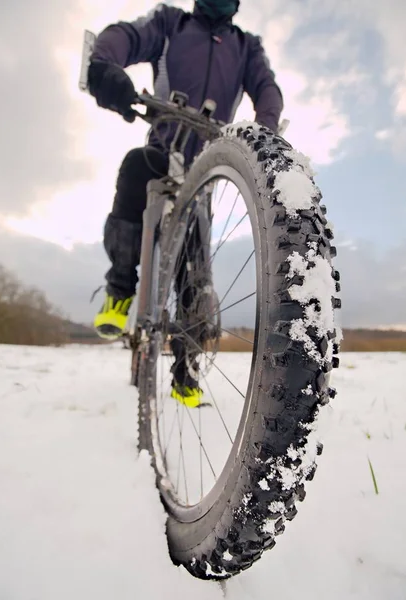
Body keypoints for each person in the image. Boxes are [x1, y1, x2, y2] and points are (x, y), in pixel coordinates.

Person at [87, 0, 283, 404]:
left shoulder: (245, 47)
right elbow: (129, 36)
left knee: (196, 275)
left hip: (206, 167)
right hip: (162, 147)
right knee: (134, 171)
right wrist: (105, 64)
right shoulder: (171, 23)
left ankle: (185, 374)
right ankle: (120, 288)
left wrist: (266, 131)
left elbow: (266, 89)